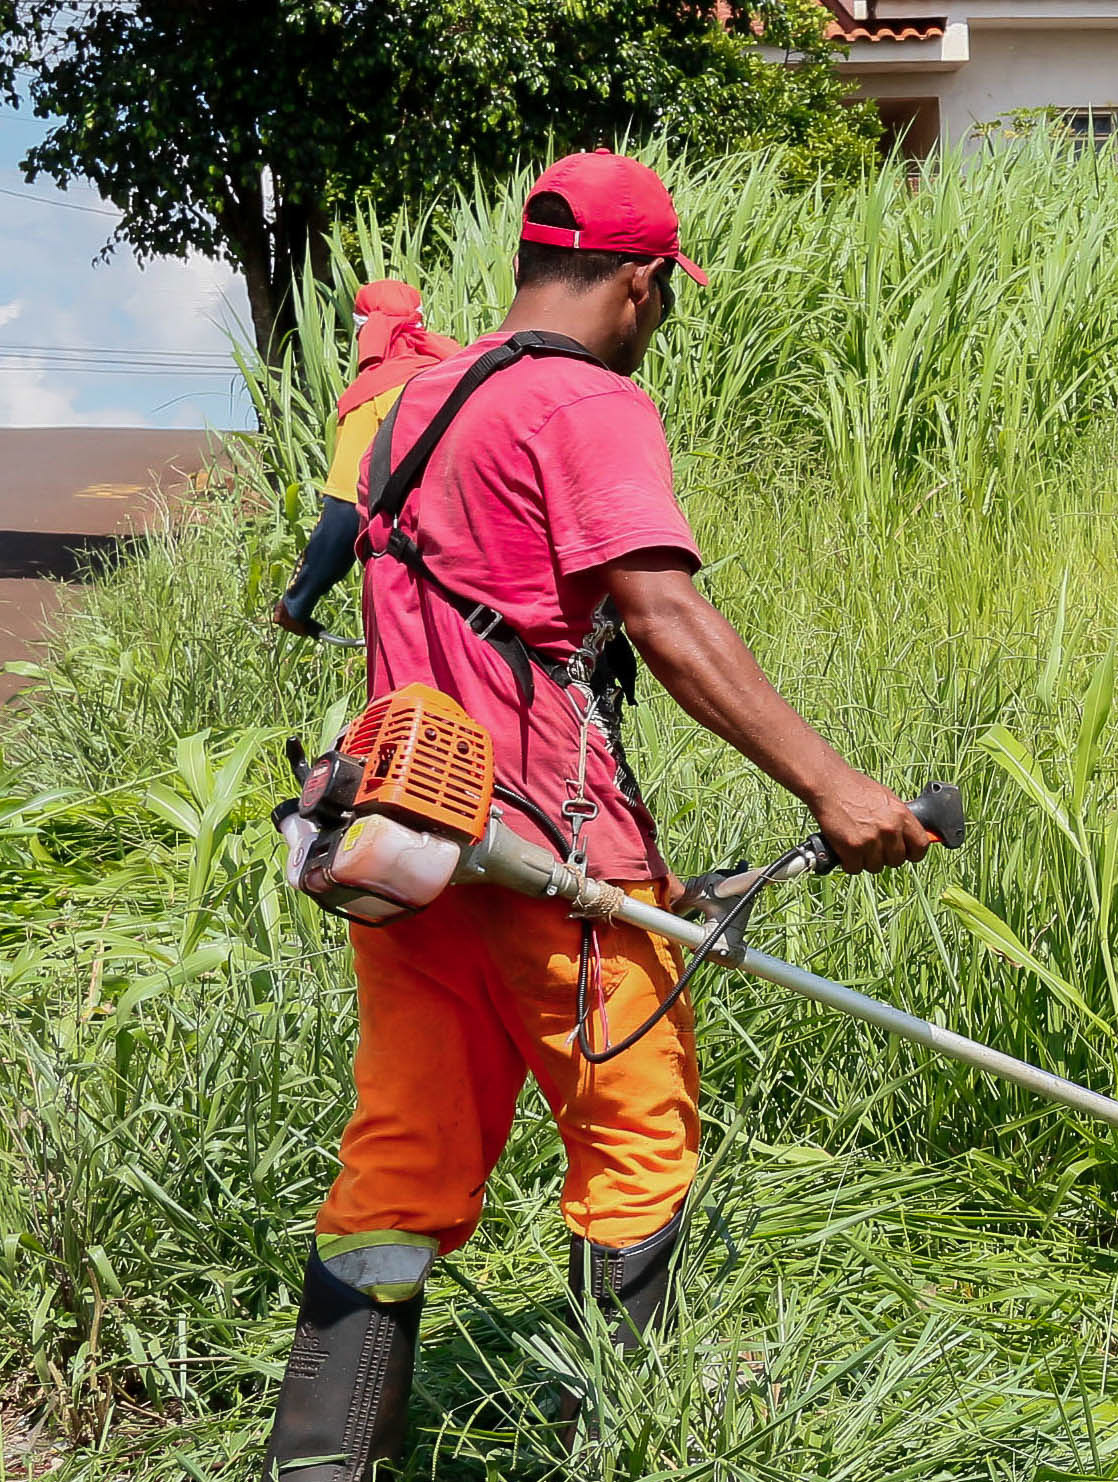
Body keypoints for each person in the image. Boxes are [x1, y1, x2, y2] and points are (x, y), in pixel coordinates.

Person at [263, 150, 934, 1482]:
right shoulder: (588, 402)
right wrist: (834, 787)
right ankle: (616, 1454)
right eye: (661, 296)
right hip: (550, 862)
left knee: (399, 1165)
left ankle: (318, 1469)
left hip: (406, 842)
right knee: (635, 1147)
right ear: (640, 284)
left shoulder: (405, 401)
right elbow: (664, 615)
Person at [273, 279, 461, 639]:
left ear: (365, 331)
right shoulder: (461, 376)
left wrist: (298, 602)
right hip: (491, 583)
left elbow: (344, 515)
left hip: (417, 588)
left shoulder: (371, 396)